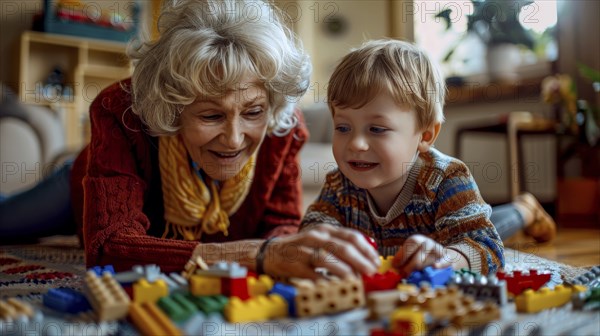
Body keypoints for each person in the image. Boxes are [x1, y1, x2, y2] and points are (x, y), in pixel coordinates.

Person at [67, 0, 379, 279]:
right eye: (211, 116)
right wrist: (255, 254)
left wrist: (287, 250)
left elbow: (281, 224)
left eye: (254, 112)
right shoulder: (119, 112)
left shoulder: (285, 127)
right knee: (17, 221)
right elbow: (108, 248)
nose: (233, 140)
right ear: (174, 109)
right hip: (86, 177)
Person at [300, 39, 556, 276]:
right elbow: (312, 231)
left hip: (448, 236)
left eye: (376, 129)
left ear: (425, 135)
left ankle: (525, 209)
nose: (355, 143)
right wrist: (323, 246)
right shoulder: (339, 183)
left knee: (490, 227)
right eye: (343, 128)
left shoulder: (446, 179)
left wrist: (448, 258)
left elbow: (487, 247)